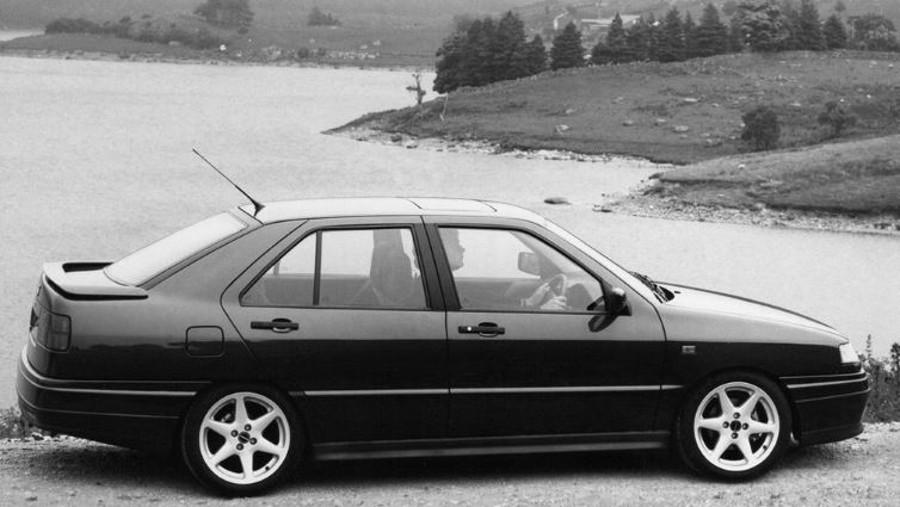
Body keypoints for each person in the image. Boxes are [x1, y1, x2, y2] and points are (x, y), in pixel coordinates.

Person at [441, 228, 567, 311]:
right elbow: (485, 314)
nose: (462, 249)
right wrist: (540, 311)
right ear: (440, 247)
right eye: (456, 242)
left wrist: (528, 303)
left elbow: (483, 302)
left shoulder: (443, 285)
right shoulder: (441, 289)